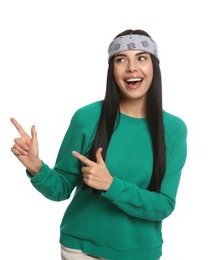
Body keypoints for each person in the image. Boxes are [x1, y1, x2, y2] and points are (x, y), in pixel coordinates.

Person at [10, 29, 187, 260]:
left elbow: (163, 205)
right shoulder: (87, 117)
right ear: (112, 70)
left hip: (139, 253)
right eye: (121, 59)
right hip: (81, 248)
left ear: (154, 66)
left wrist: (112, 185)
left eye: (141, 58)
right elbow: (61, 188)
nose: (132, 67)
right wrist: (36, 167)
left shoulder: (173, 129)